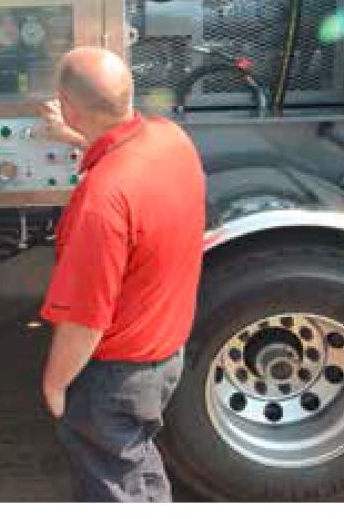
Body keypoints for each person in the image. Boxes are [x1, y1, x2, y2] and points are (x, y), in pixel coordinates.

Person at [37, 46, 205, 502]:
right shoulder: (171, 139)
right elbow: (125, 150)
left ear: (69, 107)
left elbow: (85, 321)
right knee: (137, 469)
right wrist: (76, 138)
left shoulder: (100, 199)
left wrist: (53, 384)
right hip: (165, 356)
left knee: (117, 490)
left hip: (114, 380)